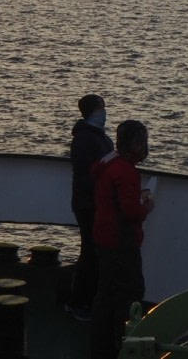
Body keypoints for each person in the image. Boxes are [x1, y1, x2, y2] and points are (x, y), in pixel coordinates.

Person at [90, 119, 153, 359]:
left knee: (105, 293)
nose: (145, 148)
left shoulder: (108, 164)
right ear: (134, 144)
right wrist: (147, 207)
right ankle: (122, 344)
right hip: (121, 243)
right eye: (143, 143)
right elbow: (131, 212)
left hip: (104, 238)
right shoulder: (125, 172)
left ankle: (101, 346)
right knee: (129, 293)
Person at [67, 93, 113, 320]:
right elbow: (86, 173)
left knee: (93, 252)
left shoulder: (99, 137)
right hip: (88, 204)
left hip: (97, 202)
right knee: (90, 253)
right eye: (101, 107)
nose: (104, 111)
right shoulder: (85, 139)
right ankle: (80, 302)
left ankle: (84, 299)